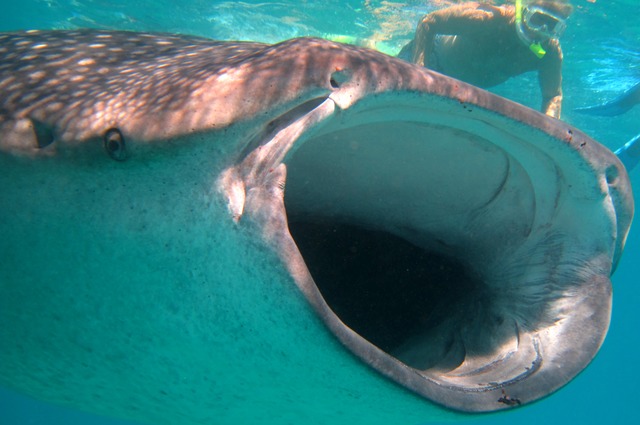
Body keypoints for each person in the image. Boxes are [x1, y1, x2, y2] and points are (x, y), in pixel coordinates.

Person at [398, 0, 573, 119]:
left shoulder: (549, 53)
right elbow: (428, 22)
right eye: (537, 20)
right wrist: (419, 73)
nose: (541, 31)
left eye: (552, 26)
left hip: (460, 88)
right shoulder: (488, 18)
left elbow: (553, 95)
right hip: (433, 58)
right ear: (524, 11)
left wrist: (550, 130)